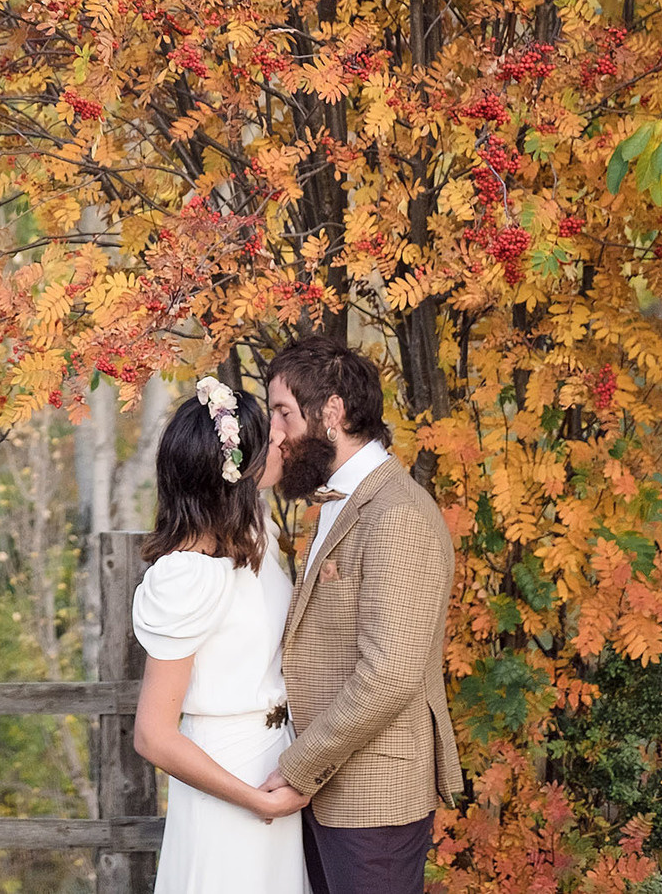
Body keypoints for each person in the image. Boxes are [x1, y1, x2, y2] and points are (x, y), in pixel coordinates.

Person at [257, 337, 461, 894]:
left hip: (375, 797)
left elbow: (388, 675)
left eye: (282, 413)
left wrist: (298, 767)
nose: (274, 432)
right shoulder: (338, 501)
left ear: (333, 413)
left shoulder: (396, 514)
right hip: (332, 792)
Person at [130, 375, 309, 894]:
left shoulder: (254, 530)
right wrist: (257, 801)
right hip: (227, 778)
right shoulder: (184, 577)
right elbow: (153, 735)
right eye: (266, 432)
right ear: (234, 471)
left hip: (276, 756)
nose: (280, 435)